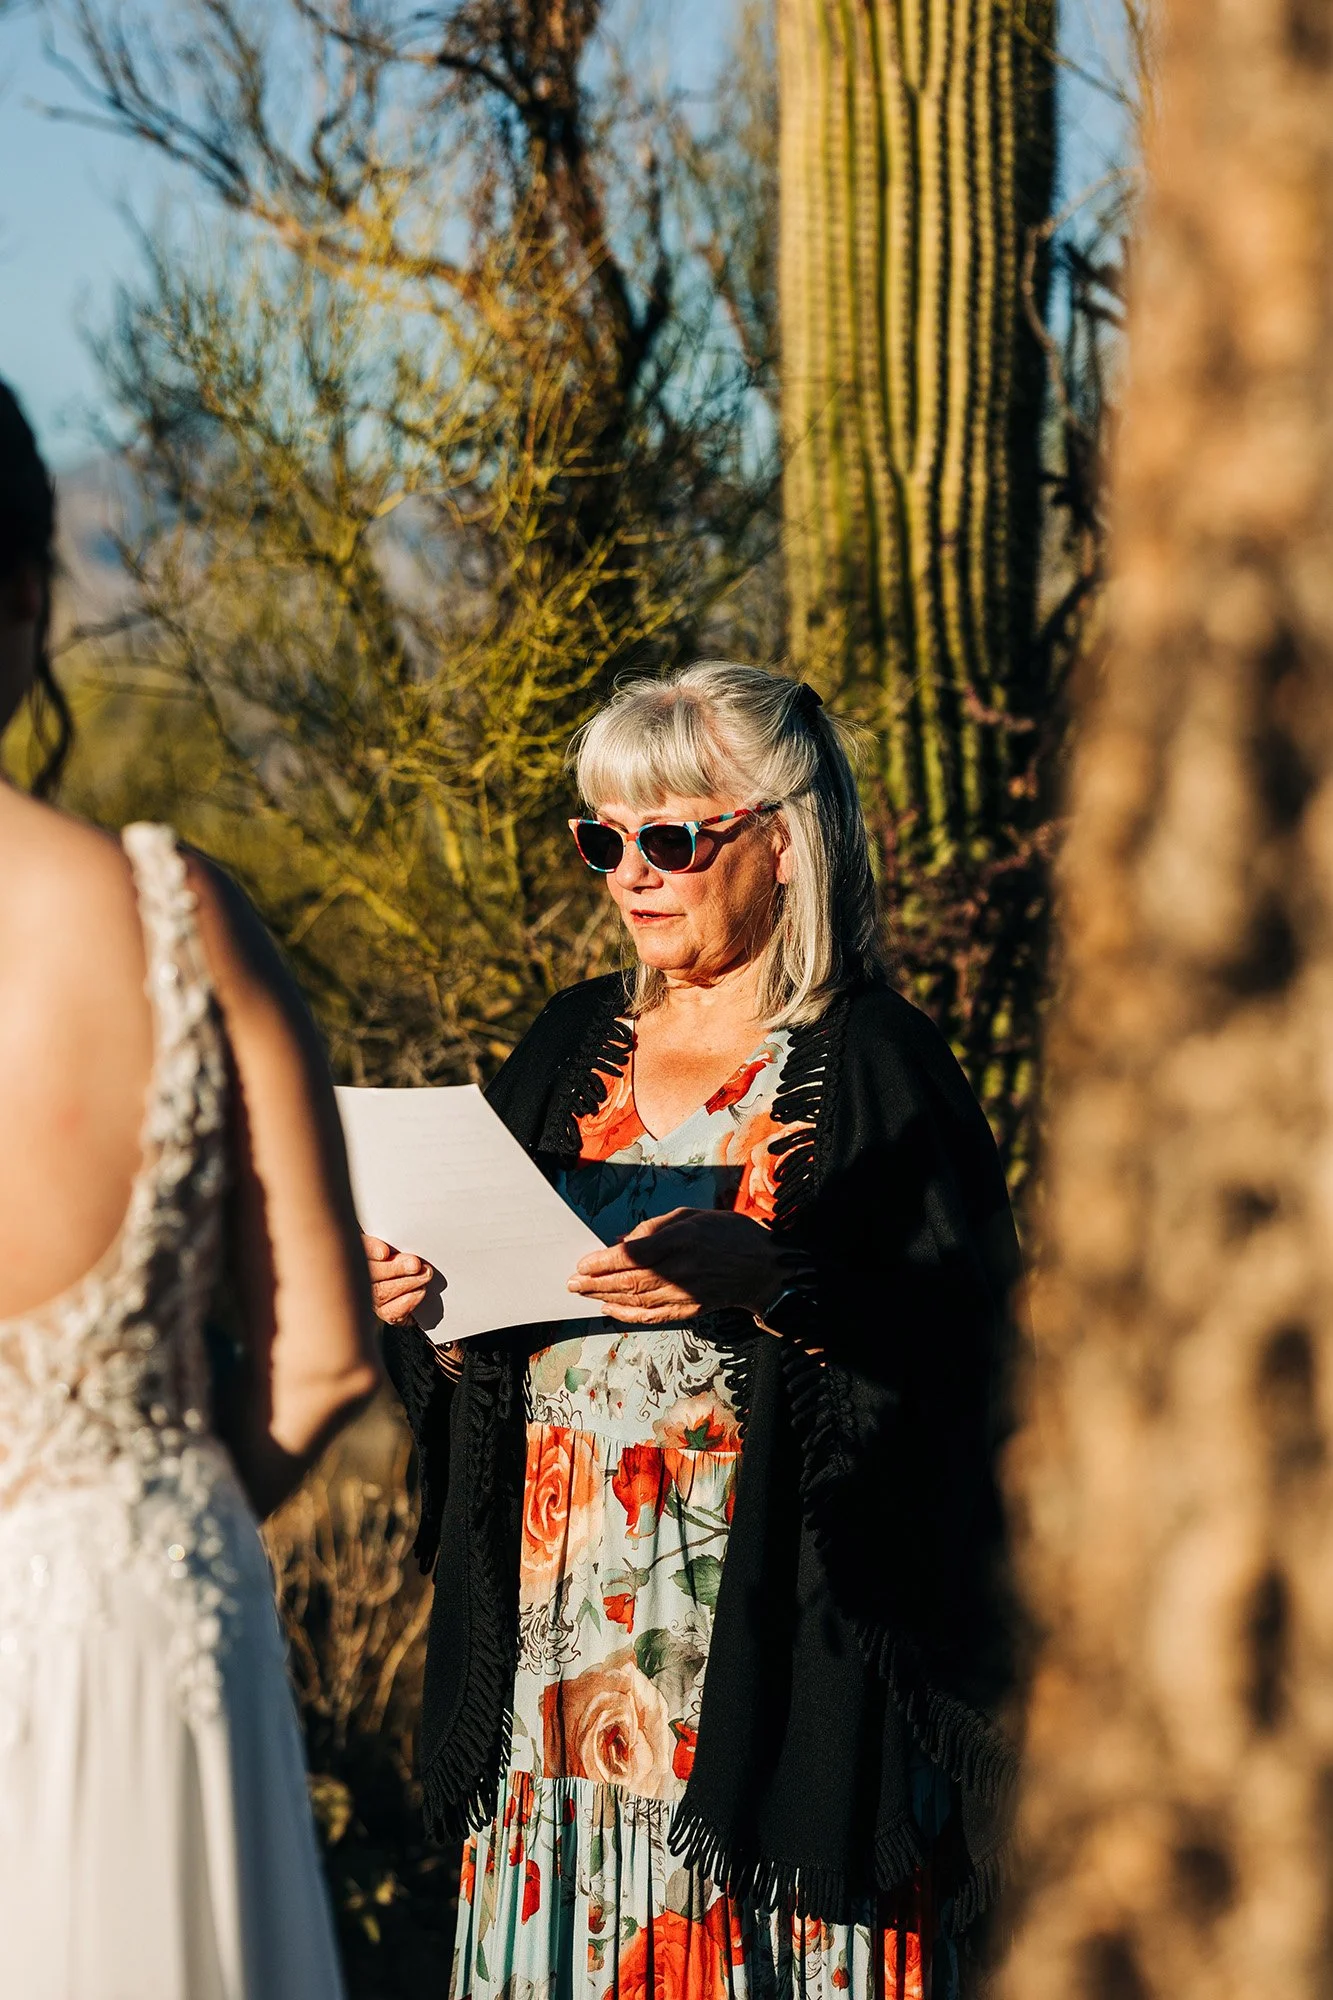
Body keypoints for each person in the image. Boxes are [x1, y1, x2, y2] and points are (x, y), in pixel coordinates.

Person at [371, 660, 1022, 2000]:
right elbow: (476, 1387)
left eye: (670, 837)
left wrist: (777, 1282)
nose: (631, 873)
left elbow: (976, 1370)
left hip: (769, 1692)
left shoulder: (880, 1065)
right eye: (602, 838)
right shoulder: (563, 1049)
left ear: (783, 845)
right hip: (558, 1696)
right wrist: (419, 1316)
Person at [0, 379, 381, 1998]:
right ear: (29, 598)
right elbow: (328, 1361)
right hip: (131, 1630)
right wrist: (167, 1504)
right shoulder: (176, 915)